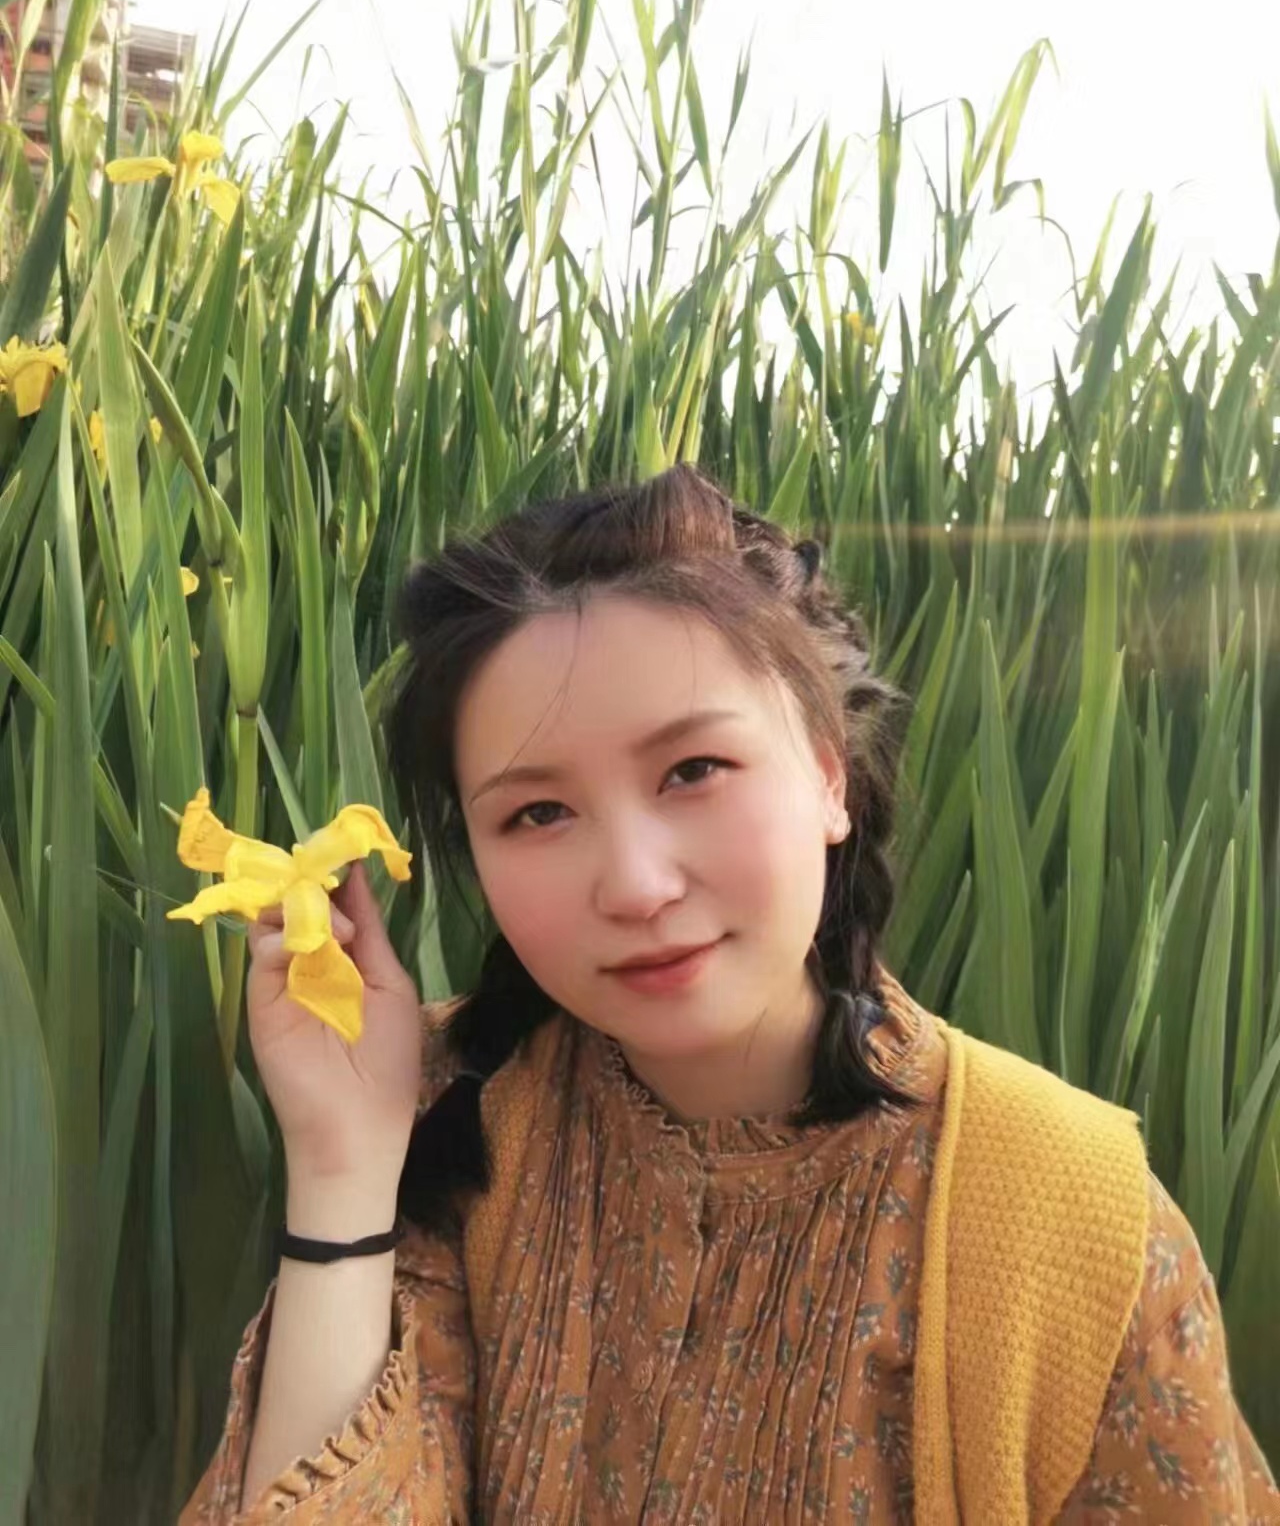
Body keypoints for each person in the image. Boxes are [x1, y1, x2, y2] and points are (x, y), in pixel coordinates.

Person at [181, 463, 1276, 1524]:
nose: (636, 884)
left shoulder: (1071, 1212)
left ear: (829, 774)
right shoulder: (450, 1120)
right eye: (537, 813)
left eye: (693, 770)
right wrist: (343, 1165)